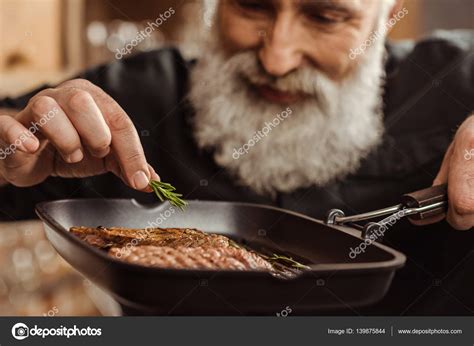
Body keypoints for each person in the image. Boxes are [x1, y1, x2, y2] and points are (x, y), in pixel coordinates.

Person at [0, 0, 472, 314]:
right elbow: (14, 139)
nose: (277, 57)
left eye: (326, 17)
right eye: (251, 3)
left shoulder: (454, 83)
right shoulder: (135, 97)